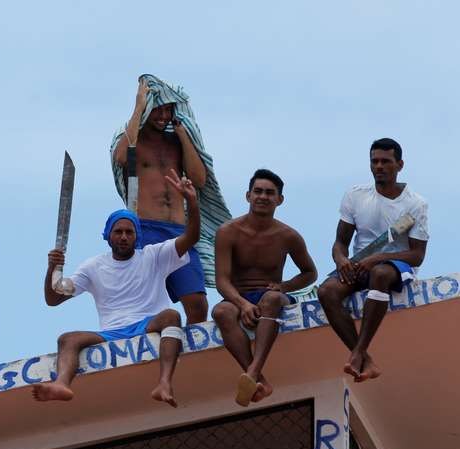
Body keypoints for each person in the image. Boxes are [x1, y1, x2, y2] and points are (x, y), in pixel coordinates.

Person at [33, 169, 199, 407]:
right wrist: (52, 269)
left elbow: (191, 237)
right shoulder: (94, 266)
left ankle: (164, 383)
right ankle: (61, 384)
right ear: (108, 236)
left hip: (148, 324)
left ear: (137, 236)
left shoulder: (153, 255)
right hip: (111, 333)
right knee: (67, 339)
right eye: (118, 232)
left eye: (129, 232)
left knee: (171, 315)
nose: (123, 237)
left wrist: (191, 202)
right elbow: (53, 298)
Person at [317, 138, 429, 382]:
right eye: (374, 161)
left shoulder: (415, 204)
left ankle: (357, 352)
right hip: (359, 264)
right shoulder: (355, 196)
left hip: (394, 266)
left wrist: (379, 257)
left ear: (399, 165)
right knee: (326, 291)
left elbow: (417, 255)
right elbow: (340, 242)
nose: (378, 166)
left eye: (385, 161)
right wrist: (340, 260)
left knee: (380, 273)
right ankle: (365, 358)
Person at [212, 169, 317, 406]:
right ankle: (261, 381)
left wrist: (284, 286)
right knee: (221, 312)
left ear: (279, 200)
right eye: (258, 191)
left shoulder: (289, 235)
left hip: (271, 297)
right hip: (238, 297)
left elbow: (310, 273)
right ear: (248, 196)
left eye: (270, 193)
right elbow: (222, 281)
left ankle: (252, 373)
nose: (263, 196)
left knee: (270, 298)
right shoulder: (227, 232)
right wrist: (242, 303)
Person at [112, 77, 210, 323]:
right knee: (143, 302)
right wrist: (138, 108)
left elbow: (199, 178)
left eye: (168, 109)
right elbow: (122, 157)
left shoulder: (176, 142)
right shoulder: (134, 139)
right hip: (146, 228)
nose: (163, 115)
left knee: (197, 303)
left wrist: (183, 133)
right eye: (158, 109)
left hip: (179, 231)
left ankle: (192, 359)